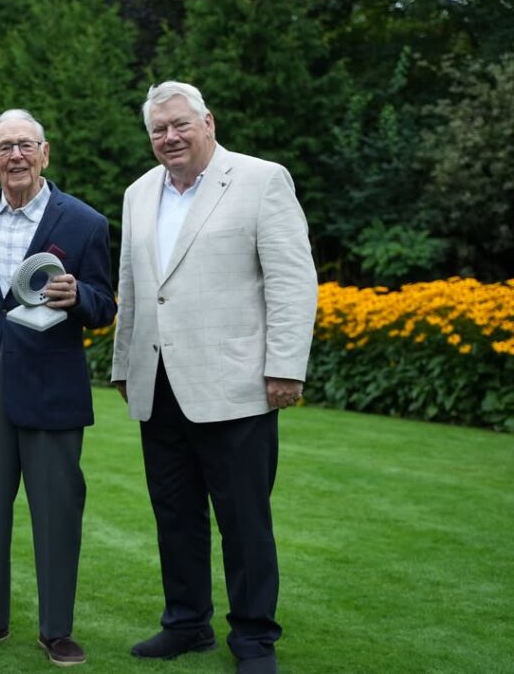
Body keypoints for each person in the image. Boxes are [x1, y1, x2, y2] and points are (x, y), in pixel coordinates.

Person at [110, 81, 317, 674]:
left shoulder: (261, 180)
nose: (169, 137)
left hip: (237, 384)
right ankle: (186, 624)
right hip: (159, 383)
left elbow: (291, 280)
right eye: (158, 130)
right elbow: (133, 283)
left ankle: (253, 638)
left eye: (179, 125)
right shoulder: (138, 193)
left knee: (244, 520)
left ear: (208, 122)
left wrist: (284, 367)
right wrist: (125, 364)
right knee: (174, 514)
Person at [0, 109, 116, 667]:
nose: (15, 155)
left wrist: (80, 298)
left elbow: (105, 303)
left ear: (45, 153)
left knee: (57, 511)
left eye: (25, 144)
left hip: (52, 388)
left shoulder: (86, 221)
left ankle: (57, 632)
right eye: (4, 147)